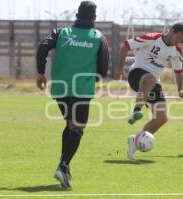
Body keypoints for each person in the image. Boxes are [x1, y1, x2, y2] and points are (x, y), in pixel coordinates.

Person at [36, 1, 109, 188]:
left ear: (77, 14)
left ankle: (64, 168)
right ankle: (63, 165)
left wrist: (40, 72)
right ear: (94, 17)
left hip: (60, 89)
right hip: (82, 89)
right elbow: (103, 66)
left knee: (71, 126)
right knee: (77, 128)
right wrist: (97, 79)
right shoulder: (98, 37)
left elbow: (43, 47)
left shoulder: (61, 33)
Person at [114, 22, 183, 160]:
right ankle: (137, 111)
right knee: (150, 79)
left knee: (161, 118)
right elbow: (126, 45)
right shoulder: (152, 38)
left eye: (181, 39)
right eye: (178, 37)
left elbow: (178, 71)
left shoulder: (177, 50)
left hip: (153, 82)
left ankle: (135, 142)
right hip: (136, 74)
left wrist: (181, 90)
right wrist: (119, 68)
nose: (179, 41)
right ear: (171, 31)